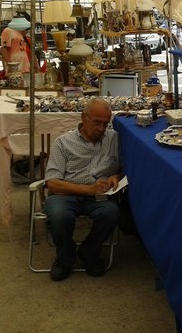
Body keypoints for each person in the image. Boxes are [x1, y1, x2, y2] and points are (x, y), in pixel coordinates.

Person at [44, 98, 122, 281]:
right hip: (66, 193)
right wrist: (88, 190)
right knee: (59, 215)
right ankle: (65, 257)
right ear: (83, 118)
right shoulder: (63, 143)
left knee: (111, 213)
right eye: (97, 123)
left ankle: (89, 251)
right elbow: (53, 183)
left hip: (100, 196)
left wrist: (116, 177)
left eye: (106, 123)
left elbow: (123, 169)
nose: (102, 129)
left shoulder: (114, 139)